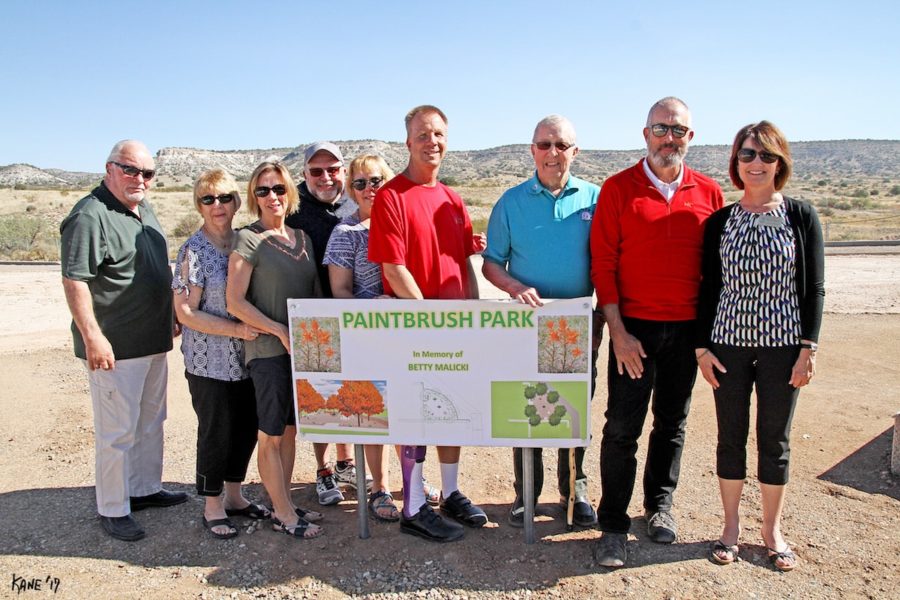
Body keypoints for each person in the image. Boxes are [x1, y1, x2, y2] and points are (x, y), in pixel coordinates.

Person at [590, 97, 724, 567]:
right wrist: (619, 332)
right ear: (645, 134)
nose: (670, 137)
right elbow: (603, 265)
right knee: (622, 428)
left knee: (672, 423)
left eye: (679, 130)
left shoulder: (709, 193)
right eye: (661, 129)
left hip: (686, 330)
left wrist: (706, 339)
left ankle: (659, 506)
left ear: (691, 137)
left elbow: (715, 273)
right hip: (635, 330)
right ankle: (612, 525)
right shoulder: (618, 188)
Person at [696, 121, 824, 572]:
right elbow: (708, 289)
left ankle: (771, 530)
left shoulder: (800, 217)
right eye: (747, 155)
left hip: (783, 349)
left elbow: (814, 290)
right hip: (727, 347)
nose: (756, 163)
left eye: (766, 156)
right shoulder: (720, 222)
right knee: (730, 438)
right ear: (736, 162)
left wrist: (808, 348)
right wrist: (701, 349)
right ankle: (730, 527)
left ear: (779, 163)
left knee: (776, 439)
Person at [368, 105, 488, 542]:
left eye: (438, 134)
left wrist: (472, 315)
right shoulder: (392, 196)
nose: (431, 142)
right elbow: (393, 266)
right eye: (423, 134)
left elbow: (462, 262)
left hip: (455, 326)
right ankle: (414, 505)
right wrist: (429, 318)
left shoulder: (453, 199)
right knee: (416, 415)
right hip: (416, 328)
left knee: (451, 410)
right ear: (408, 142)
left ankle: (451, 491)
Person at [60, 140, 187, 541]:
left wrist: (168, 315)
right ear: (109, 168)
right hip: (115, 346)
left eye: (147, 173)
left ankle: (144, 489)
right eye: (130, 170)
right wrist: (93, 336)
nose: (140, 180)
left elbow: (153, 269)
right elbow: (75, 279)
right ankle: (113, 508)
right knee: (116, 432)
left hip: (152, 340)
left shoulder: (142, 207)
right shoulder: (89, 215)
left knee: (150, 421)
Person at [481, 115, 602, 528]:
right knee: (526, 404)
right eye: (545, 145)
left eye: (561, 145)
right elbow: (492, 264)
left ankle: (575, 490)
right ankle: (526, 493)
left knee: (575, 408)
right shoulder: (510, 202)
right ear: (532, 150)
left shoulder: (595, 199)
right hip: (527, 326)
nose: (553, 153)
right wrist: (515, 287)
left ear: (575, 151)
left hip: (580, 325)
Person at [226, 161, 324, 540]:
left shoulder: (303, 238)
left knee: (288, 431)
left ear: (290, 193)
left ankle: (285, 502)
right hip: (267, 352)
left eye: (279, 189)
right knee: (268, 433)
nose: (272, 197)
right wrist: (278, 330)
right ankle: (282, 512)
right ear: (254, 197)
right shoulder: (248, 239)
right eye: (263, 190)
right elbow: (235, 301)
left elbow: (314, 294)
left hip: (300, 351)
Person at [172, 168, 269, 539]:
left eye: (225, 197)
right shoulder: (193, 251)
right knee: (216, 430)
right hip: (207, 360)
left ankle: (234, 496)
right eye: (208, 199)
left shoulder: (245, 243)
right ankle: (212, 505)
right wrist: (236, 329)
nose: (218, 206)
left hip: (245, 357)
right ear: (199, 205)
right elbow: (185, 311)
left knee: (245, 426)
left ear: (237, 201)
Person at [285, 142, 367, 506]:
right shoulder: (292, 207)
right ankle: (322, 469)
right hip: (313, 313)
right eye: (316, 171)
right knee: (318, 392)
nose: (325, 177)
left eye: (332, 169)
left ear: (344, 171)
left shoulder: (356, 200)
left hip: (354, 311)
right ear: (304, 175)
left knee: (352, 389)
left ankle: (346, 462)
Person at [323, 153, 402, 522]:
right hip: (366, 336)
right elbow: (338, 290)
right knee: (374, 414)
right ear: (350, 190)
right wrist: (370, 308)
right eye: (360, 183)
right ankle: (380, 487)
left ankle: (414, 480)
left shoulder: (402, 224)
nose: (370, 188)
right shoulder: (345, 233)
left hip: (408, 334)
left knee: (409, 409)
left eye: (377, 180)